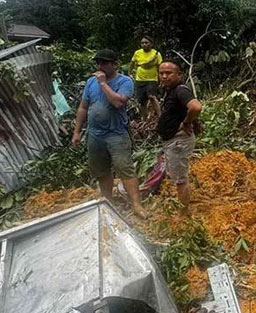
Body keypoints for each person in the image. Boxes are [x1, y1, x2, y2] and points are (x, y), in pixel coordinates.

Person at [72, 49, 148, 218]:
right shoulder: (90, 82)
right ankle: (108, 203)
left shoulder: (125, 81)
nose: (100, 66)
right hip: (95, 134)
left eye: (105, 63)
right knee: (102, 170)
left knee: (125, 168)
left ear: (115, 65)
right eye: (98, 63)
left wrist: (103, 83)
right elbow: (83, 107)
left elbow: (117, 102)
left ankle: (136, 205)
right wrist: (76, 132)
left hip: (117, 134)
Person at [157, 61, 202, 210]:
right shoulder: (170, 91)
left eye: (168, 73)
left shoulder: (180, 90)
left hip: (178, 142)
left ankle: (184, 213)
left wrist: (187, 122)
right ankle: (183, 207)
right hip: (174, 141)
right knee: (179, 177)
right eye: (161, 73)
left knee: (181, 180)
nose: (164, 76)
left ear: (179, 75)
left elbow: (196, 107)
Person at [129, 37, 162, 119]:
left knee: (152, 97)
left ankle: (160, 116)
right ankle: (144, 118)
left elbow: (160, 66)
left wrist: (160, 78)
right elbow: (132, 63)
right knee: (142, 101)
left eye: (146, 43)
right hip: (140, 79)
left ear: (151, 44)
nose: (144, 44)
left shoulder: (156, 54)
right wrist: (129, 73)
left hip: (152, 79)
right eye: (142, 43)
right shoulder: (137, 53)